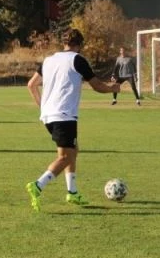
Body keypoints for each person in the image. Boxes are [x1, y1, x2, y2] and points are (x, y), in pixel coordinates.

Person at [25, 29, 121, 212]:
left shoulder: (49, 60)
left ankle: (72, 192)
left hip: (49, 116)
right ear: (79, 45)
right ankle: (37, 185)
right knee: (65, 156)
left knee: (73, 150)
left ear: (64, 43)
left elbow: (31, 85)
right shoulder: (77, 60)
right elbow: (97, 86)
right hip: (64, 116)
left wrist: (43, 106)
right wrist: (113, 88)